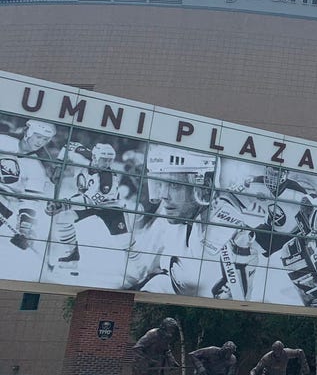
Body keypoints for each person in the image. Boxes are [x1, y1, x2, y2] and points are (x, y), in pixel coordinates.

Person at [124, 146, 260, 299]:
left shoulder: (227, 230)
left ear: (204, 187)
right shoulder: (172, 219)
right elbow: (144, 271)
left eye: (174, 185)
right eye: (160, 184)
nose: (163, 195)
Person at [225, 166, 317, 308]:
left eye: (276, 173)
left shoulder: (296, 191)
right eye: (269, 172)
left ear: (285, 174)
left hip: (294, 233)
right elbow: (235, 195)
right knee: (241, 241)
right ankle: (240, 293)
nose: (271, 177)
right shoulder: (257, 183)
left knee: (293, 254)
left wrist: (311, 220)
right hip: (271, 231)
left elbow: (314, 208)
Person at [45, 141, 131, 277]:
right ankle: (71, 256)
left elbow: (90, 202)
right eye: (104, 160)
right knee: (63, 219)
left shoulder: (107, 178)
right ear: (95, 157)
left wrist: (61, 204)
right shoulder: (83, 155)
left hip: (110, 206)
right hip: (85, 198)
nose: (107, 163)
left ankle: (138, 268)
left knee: (124, 241)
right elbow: (68, 146)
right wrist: (59, 166)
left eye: (110, 160)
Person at [0, 119, 58, 279]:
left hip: (5, 202)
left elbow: (30, 200)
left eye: (45, 140)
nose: (41, 142)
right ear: (28, 132)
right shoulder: (4, 141)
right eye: (38, 137)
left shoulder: (37, 168)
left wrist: (25, 227)